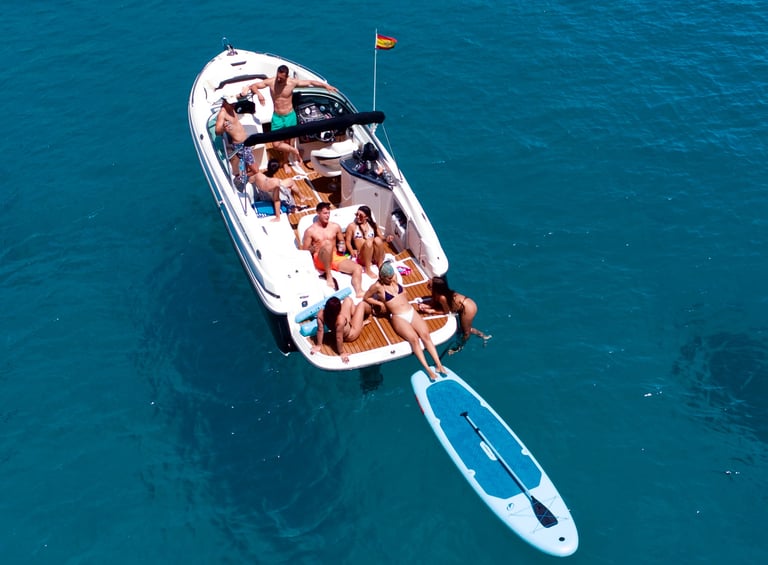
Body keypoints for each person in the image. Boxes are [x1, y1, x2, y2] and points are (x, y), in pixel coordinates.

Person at [241, 65, 338, 171]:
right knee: (276, 144)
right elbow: (254, 86)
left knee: (288, 142)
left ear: (287, 77)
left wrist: (325, 86)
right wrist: (259, 95)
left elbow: (310, 82)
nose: (278, 79)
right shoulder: (271, 82)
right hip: (277, 117)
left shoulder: (292, 83)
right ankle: (294, 151)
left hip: (290, 116)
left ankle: (285, 162)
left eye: (281, 78)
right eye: (278, 76)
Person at [364, 262, 446, 381]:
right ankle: (428, 369)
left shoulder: (395, 278)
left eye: (392, 276)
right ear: (382, 277)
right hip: (398, 317)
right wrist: (379, 303)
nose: (391, 279)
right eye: (388, 278)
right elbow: (366, 297)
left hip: (411, 311)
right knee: (414, 340)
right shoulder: (377, 287)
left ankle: (439, 364)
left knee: (426, 336)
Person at [302, 202, 364, 296]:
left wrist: (342, 246)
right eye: (325, 213)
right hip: (320, 258)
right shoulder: (310, 231)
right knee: (327, 244)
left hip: (335, 257)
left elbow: (342, 241)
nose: (327, 216)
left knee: (357, 268)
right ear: (318, 213)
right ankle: (328, 275)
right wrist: (311, 249)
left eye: (328, 213)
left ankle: (359, 291)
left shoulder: (335, 227)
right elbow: (304, 252)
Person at [417, 275, 491, 353]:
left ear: (436, 287)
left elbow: (446, 312)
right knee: (462, 329)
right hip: (461, 305)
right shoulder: (437, 292)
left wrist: (431, 311)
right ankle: (481, 336)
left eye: (430, 281)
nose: (428, 281)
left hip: (468, 308)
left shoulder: (442, 297)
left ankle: (460, 346)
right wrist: (426, 306)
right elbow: (434, 302)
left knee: (466, 332)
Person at [310, 296, 367, 364]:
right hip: (351, 333)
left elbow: (320, 330)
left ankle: (356, 318)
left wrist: (318, 345)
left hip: (344, 326)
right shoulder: (340, 319)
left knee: (347, 299)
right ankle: (370, 311)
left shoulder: (321, 314)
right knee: (362, 304)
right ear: (338, 310)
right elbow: (339, 338)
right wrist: (341, 353)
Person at [214, 98, 259, 183]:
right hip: (241, 145)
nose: (233, 105)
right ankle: (241, 179)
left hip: (246, 143)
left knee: (245, 166)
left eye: (234, 103)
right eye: (231, 103)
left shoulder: (231, 108)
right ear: (225, 102)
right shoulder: (222, 114)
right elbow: (217, 131)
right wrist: (224, 128)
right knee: (256, 170)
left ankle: (242, 178)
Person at [345, 205, 393, 278]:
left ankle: (380, 265)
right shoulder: (352, 226)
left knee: (377, 240)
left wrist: (387, 239)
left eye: (360, 216)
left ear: (366, 217)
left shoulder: (373, 225)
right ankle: (367, 269)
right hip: (363, 256)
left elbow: (381, 237)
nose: (357, 217)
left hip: (375, 256)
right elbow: (347, 241)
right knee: (369, 242)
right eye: (356, 214)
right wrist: (351, 250)